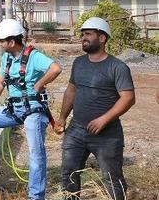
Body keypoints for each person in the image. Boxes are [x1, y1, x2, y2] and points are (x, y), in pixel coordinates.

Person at [0, 19, 62, 200]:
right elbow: (0, 83)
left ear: (11, 41)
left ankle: (36, 196)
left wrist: (40, 83)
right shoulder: (7, 58)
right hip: (14, 109)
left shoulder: (34, 56)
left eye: (1, 41)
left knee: (36, 153)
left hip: (34, 111)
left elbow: (56, 68)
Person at [58, 17, 135, 200]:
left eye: (88, 34)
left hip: (107, 135)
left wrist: (104, 119)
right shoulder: (78, 63)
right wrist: (62, 117)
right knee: (68, 173)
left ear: (102, 38)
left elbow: (128, 98)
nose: (84, 38)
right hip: (76, 130)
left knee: (111, 178)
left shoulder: (117, 67)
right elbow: (71, 90)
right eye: (83, 34)